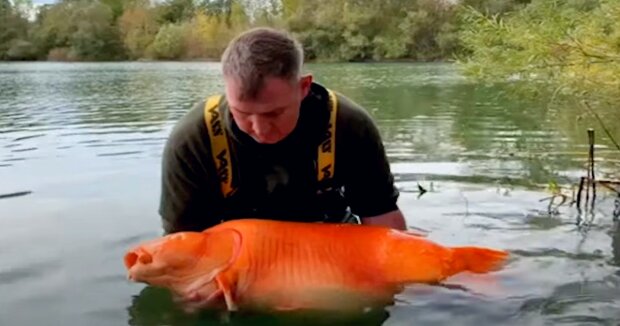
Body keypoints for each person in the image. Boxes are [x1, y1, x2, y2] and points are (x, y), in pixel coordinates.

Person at [158, 27, 407, 234]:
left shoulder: (350, 125)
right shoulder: (193, 140)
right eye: (242, 113)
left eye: (273, 113)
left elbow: (381, 216)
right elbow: (183, 241)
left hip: (331, 244)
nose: (259, 129)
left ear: (303, 87)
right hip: (240, 254)